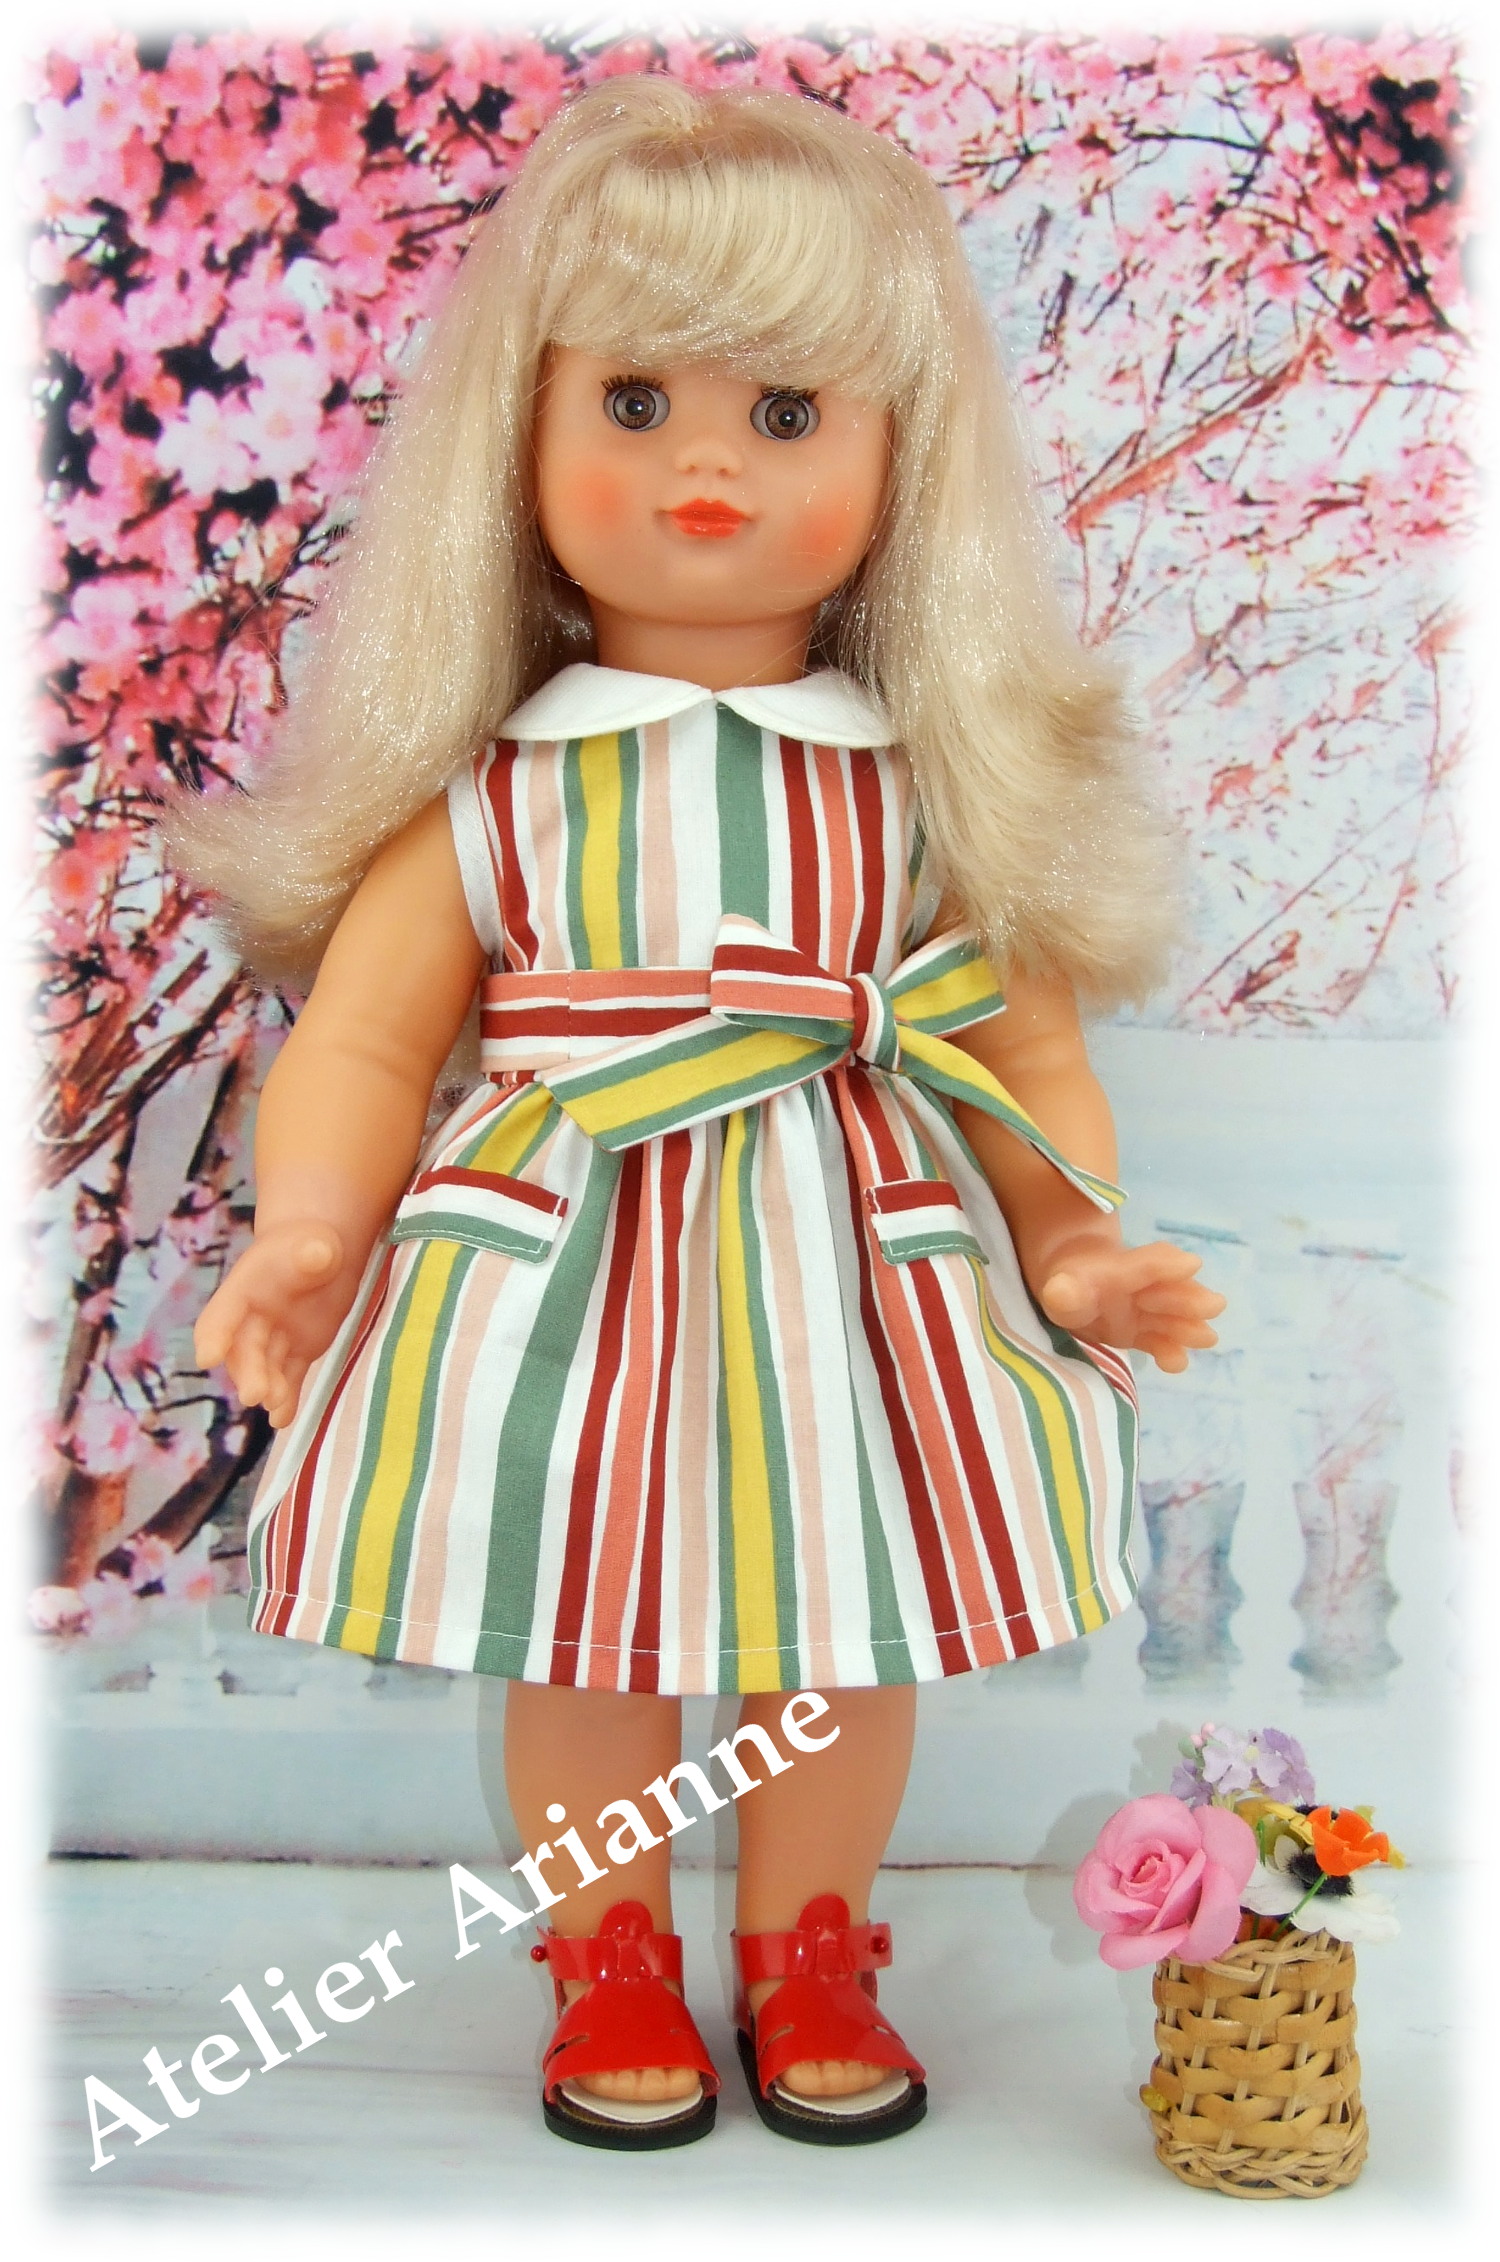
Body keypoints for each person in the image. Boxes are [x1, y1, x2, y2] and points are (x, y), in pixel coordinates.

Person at [173, 77, 1223, 2150]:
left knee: (838, 1624)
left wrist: (1075, 1239)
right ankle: (612, 1953)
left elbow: (1018, 1055)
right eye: (637, 403)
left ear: (903, 458)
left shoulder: (919, 794)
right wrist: (308, 1232)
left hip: (851, 1283)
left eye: (788, 410)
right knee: (585, 1629)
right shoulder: (497, 794)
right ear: (522, 434)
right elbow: (366, 1048)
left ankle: (812, 1946)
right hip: (565, 1272)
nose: (709, 464)